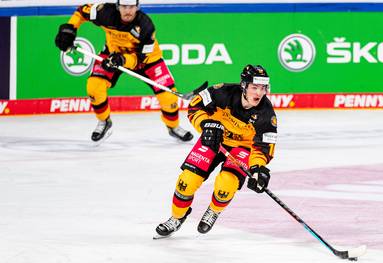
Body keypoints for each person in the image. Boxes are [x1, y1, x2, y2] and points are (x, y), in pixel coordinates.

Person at [155, 64, 278, 236]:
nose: (259, 93)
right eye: (254, 87)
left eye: (263, 88)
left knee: (226, 184)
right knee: (186, 182)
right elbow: (195, 105)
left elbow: (263, 148)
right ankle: (177, 217)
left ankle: (214, 210)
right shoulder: (223, 92)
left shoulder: (266, 114)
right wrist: (206, 125)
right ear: (244, 86)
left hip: (242, 147)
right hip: (214, 139)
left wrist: (258, 170)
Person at [54, 0, 193, 143]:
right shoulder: (104, 13)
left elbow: (140, 58)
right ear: (117, 6)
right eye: (124, 6)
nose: (128, 11)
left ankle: (173, 127)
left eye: (131, 7)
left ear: (137, 7)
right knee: (94, 87)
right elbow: (82, 11)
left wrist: (122, 60)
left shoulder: (146, 26)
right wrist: (69, 29)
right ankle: (104, 121)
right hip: (112, 53)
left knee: (169, 98)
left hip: (146, 60)